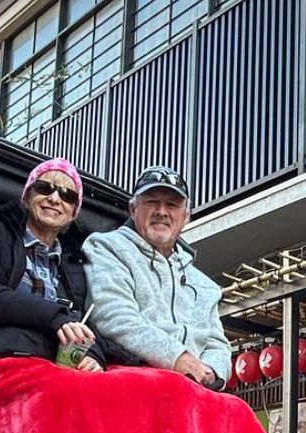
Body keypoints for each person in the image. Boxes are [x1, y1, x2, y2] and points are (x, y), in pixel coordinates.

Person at [0, 158, 104, 371]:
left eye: (67, 195)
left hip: (57, 359)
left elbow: (85, 317)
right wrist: (54, 316)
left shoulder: (73, 259)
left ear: (73, 213)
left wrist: (93, 355)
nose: (55, 198)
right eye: (44, 188)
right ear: (28, 196)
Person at [82, 165, 232, 387]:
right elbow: (114, 317)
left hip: (195, 385)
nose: (162, 211)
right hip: (130, 372)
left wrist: (210, 371)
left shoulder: (204, 285)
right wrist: (178, 358)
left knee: (239, 412)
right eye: (152, 201)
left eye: (172, 204)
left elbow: (218, 343)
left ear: (186, 217)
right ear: (133, 209)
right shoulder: (106, 247)